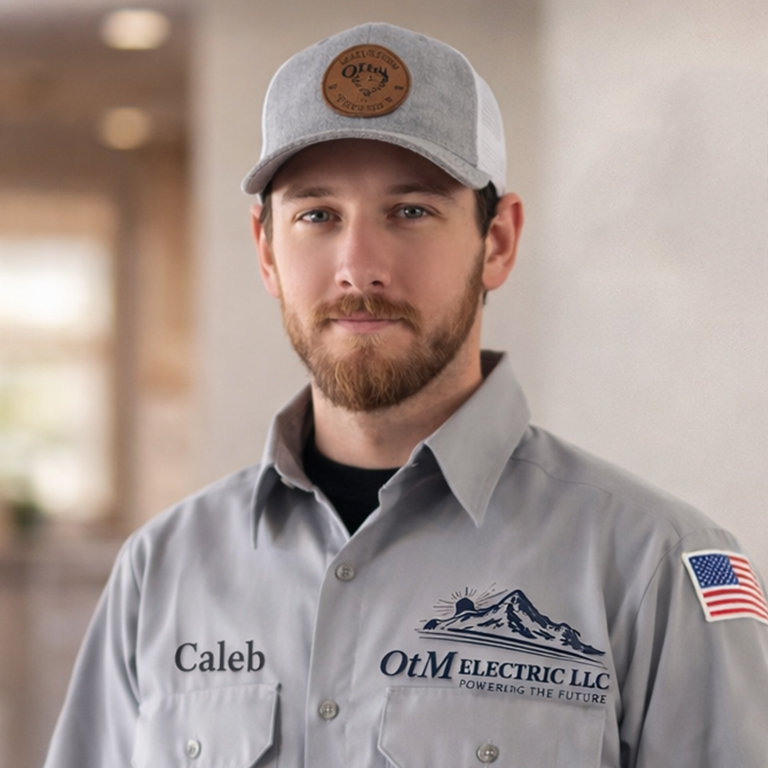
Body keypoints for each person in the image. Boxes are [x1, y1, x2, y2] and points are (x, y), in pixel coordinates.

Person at [44, 22, 768, 768]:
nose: (359, 267)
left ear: (498, 242)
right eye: (317, 215)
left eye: (411, 211)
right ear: (266, 250)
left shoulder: (657, 565)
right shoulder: (161, 570)